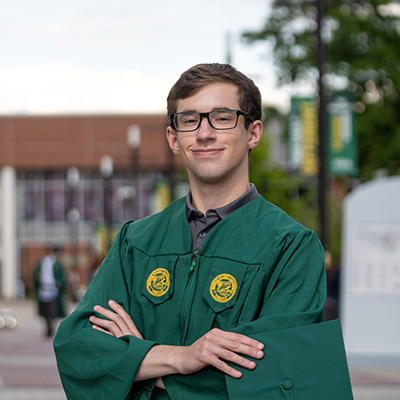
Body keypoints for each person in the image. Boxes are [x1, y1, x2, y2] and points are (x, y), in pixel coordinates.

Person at [54, 63, 353, 399]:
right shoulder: (135, 242)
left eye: (222, 117)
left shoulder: (290, 247)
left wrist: (135, 360)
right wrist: (182, 358)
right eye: (189, 120)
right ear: (173, 138)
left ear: (253, 132)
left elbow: (273, 377)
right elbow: (78, 349)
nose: (204, 133)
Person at [33, 245, 67, 337]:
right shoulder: (41, 263)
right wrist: (38, 278)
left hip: (53, 290)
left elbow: (62, 277)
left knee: (52, 310)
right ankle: (48, 327)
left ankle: (51, 327)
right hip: (43, 290)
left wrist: (59, 283)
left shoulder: (56, 264)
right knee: (45, 311)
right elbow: (35, 276)